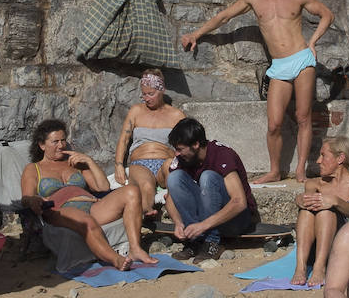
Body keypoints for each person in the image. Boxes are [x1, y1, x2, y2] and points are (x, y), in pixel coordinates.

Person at [179, 0, 333, 182]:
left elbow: (327, 15)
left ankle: (301, 168)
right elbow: (224, 17)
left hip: (302, 60)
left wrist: (312, 42)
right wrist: (196, 34)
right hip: (279, 65)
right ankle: (274, 170)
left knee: (303, 117)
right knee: (274, 124)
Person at [19, 119, 157, 271]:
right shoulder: (33, 168)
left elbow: (103, 186)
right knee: (86, 221)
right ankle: (115, 259)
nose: (61, 145)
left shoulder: (74, 163)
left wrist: (89, 161)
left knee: (132, 191)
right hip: (60, 210)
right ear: (42, 145)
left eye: (63, 140)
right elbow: (26, 197)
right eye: (55, 141)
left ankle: (135, 249)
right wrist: (34, 201)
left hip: (91, 205)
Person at [163, 118, 258, 263]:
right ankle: (196, 241)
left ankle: (212, 242)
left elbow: (239, 202)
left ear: (196, 145)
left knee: (208, 177)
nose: (176, 154)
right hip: (206, 220)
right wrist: (178, 223)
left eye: (180, 149)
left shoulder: (221, 154)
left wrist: (203, 226)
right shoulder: (182, 160)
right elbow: (170, 198)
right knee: (174, 178)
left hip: (236, 220)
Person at [291, 136, 349, 286]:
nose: (318, 161)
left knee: (326, 212)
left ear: (340, 158)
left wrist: (335, 201)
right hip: (317, 244)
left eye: (323, 155)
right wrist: (300, 200)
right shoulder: (314, 183)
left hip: (345, 245)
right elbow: (306, 200)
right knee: (306, 211)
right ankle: (300, 267)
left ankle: (320, 268)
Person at [112, 69, 186, 216]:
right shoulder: (136, 111)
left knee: (171, 171)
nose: (146, 98)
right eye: (144, 94)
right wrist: (118, 164)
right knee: (146, 185)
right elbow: (124, 139)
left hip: (165, 160)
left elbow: (185, 143)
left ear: (162, 90)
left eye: (151, 94)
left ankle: (174, 209)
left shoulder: (176, 115)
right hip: (141, 163)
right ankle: (147, 212)